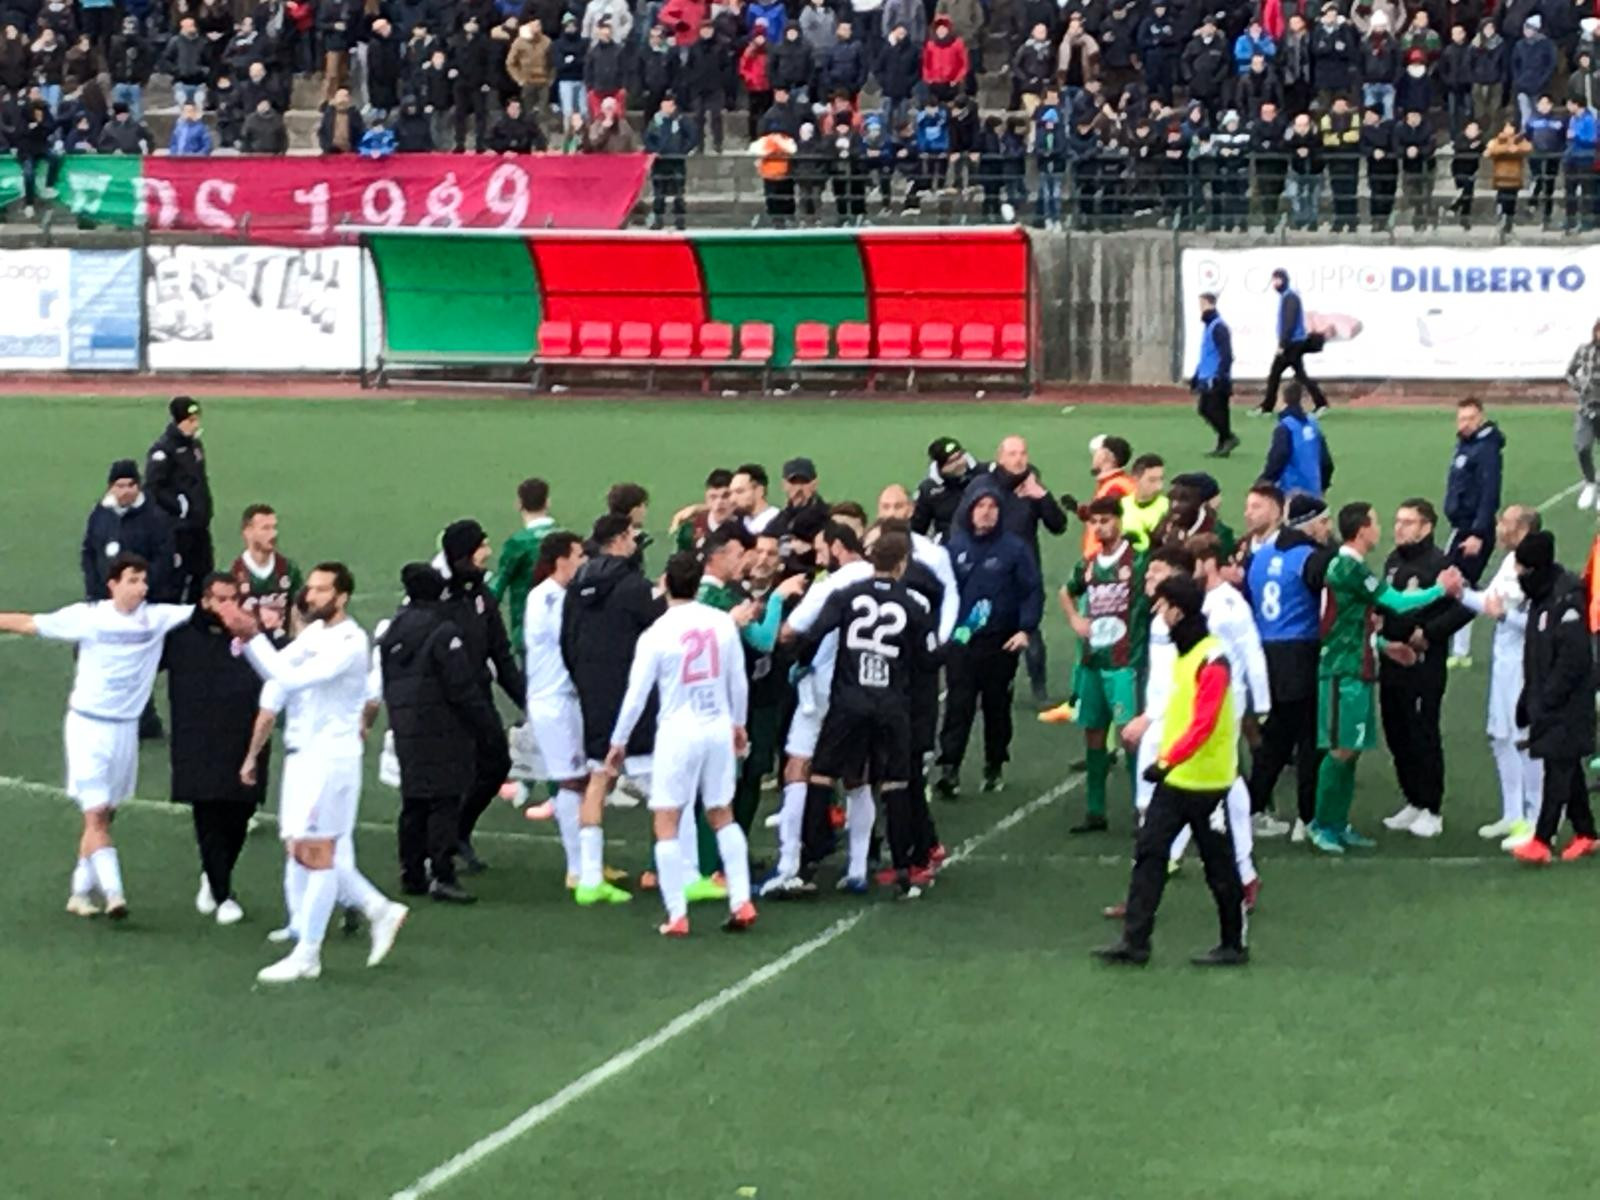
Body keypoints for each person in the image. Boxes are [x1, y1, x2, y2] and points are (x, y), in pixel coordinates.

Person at [0, 553, 193, 920]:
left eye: (143, 581)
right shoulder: (89, 618)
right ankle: (115, 894)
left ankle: (79, 892)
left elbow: (205, 612)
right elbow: (27, 623)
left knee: (106, 814)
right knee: (96, 815)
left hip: (125, 730)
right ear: (113, 585)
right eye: (132, 580)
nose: (141, 588)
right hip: (88, 727)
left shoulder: (157, 618)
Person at [1093, 573, 1249, 968]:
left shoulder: (1211, 659)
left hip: (1207, 783)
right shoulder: (1188, 654)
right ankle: (1135, 941)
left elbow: (1204, 723)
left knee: (1219, 866)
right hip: (1178, 778)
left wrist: (1166, 760)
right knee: (1149, 853)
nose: (1158, 612)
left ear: (1177, 611)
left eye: (1162, 605)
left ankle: (1233, 944)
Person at [608, 552, 756, 936]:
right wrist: (738, 723)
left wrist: (619, 740)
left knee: (667, 820)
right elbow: (738, 680)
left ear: (666, 585)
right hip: (717, 725)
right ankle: (741, 899)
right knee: (721, 812)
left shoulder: (656, 633)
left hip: (678, 731)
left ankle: (677, 914)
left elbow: (636, 695)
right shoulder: (722, 623)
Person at [1308, 503, 1462, 855]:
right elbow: (1397, 602)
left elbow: (1351, 622)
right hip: (1342, 669)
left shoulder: (1353, 566)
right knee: (1341, 750)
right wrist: (1440, 589)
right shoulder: (1348, 567)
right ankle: (1322, 823)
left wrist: (1382, 645)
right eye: (1377, 522)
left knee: (1351, 749)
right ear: (1362, 529)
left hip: (1357, 666)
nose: (1383, 529)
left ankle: (1338, 823)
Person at [794, 527, 937, 896]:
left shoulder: (846, 594)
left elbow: (813, 634)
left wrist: (802, 664)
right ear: (903, 563)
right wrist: (959, 641)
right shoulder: (914, 604)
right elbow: (928, 661)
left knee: (822, 775)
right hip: (891, 704)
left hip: (849, 700)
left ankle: (807, 863)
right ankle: (903, 871)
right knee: (894, 783)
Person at [379, 563, 504, 905]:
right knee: (445, 800)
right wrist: (485, 725)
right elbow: (460, 685)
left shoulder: (394, 628)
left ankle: (411, 872)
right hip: (442, 727)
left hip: (406, 724)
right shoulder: (443, 630)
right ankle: (443, 873)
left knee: (414, 800)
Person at [562, 514, 665, 905]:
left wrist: (585, 679)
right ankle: (669, 869)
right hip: (632, 694)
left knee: (598, 777)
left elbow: (567, 640)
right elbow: (661, 630)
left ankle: (589, 877)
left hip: (593, 692)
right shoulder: (634, 587)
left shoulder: (578, 584)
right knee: (662, 787)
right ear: (621, 539)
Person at [163, 573, 264, 926]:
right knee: (208, 815)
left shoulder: (250, 635)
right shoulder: (180, 637)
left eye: (233, 599)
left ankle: (214, 874)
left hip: (244, 738)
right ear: (205, 601)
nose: (228, 607)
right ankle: (223, 895)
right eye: (221, 599)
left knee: (241, 812)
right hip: (198, 740)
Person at [934, 481, 1040, 796]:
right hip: (963, 642)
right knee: (958, 706)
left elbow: (1031, 591)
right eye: (980, 506)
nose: (986, 512)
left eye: (992, 507)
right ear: (969, 510)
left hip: (1001, 642)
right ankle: (949, 768)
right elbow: (941, 594)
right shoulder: (954, 548)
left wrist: (1025, 629)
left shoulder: (1014, 549)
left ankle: (994, 764)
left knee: (997, 708)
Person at [1375, 499, 1473, 840]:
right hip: (1391, 660)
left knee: (1422, 732)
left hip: (1423, 666)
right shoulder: (1392, 560)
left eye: (1408, 522)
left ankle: (1432, 807)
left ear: (1426, 527)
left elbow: (1465, 607)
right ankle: (1413, 799)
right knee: (1396, 730)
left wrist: (1429, 634)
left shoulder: (1440, 564)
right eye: (1397, 521)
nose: (1399, 528)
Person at [437, 519, 525, 873]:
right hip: (445, 702)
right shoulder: (440, 596)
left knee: (497, 762)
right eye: (482, 546)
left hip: (478, 696)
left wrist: (525, 699)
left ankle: (459, 831)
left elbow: (500, 653)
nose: (488, 552)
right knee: (449, 775)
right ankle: (436, 849)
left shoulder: (480, 593)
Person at [1245, 493, 1334, 841]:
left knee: (1276, 737)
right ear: (1308, 524)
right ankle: (1307, 819)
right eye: (1323, 521)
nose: (1327, 528)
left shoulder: (1261, 556)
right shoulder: (1310, 558)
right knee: (1310, 737)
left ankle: (1253, 808)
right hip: (1300, 651)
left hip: (1267, 652)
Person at [1507, 531, 1598, 863]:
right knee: (1567, 767)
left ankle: (1542, 840)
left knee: (1558, 769)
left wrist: (1546, 699)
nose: (1519, 576)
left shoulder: (1566, 599)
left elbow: (1574, 658)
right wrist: (1527, 698)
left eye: (1522, 569)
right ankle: (1586, 833)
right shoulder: (1543, 597)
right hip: (1548, 698)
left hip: (1569, 702)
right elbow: (1537, 654)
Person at [1061, 497, 1146, 833]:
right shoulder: (1089, 564)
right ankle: (1095, 810)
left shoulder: (1137, 563)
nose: (1099, 527)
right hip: (1093, 661)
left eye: (1105, 520)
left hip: (1124, 663)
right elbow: (1066, 592)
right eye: (1094, 522)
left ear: (1119, 522)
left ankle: (1142, 808)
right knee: (1094, 732)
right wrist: (1075, 619)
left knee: (1130, 736)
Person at [1460, 506, 1543, 849]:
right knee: (1500, 736)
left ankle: (1536, 819)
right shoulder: (1509, 562)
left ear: (1522, 529)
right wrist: (1460, 592)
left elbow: (1538, 624)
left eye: (1504, 523)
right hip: (1503, 664)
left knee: (1524, 740)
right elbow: (1489, 602)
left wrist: (1504, 616)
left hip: (1525, 667)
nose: (1497, 528)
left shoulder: (1537, 569)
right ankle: (1512, 814)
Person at [984, 435, 1066, 702]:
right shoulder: (987, 487)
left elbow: (1058, 525)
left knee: (1030, 630)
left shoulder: (1033, 485)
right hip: (992, 570)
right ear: (1000, 458)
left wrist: (1041, 496)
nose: (1018, 459)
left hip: (1025, 571)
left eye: (1022, 453)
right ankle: (993, 687)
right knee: (989, 630)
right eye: (1012, 454)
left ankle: (1039, 688)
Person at [1442, 398, 1504, 666]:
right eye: (1461, 419)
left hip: (1472, 530)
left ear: (1481, 418)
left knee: (1458, 582)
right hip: (1461, 527)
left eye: (1469, 418)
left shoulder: (1486, 450)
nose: (1464, 424)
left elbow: (1489, 493)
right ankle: (1459, 648)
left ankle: (1460, 650)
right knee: (1459, 581)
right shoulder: (1466, 445)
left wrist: (1477, 533)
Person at [145, 396, 213, 605]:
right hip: (179, 529)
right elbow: (154, 487)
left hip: (199, 527)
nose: (196, 425)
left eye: (196, 419)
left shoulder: (195, 446)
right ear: (179, 421)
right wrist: (181, 507)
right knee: (176, 579)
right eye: (190, 420)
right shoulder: (163, 451)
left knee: (203, 576)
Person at [82, 459, 175, 610]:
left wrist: (140, 589)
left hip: (144, 601)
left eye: (131, 485)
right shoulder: (99, 514)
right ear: (111, 488)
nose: (126, 491)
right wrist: (94, 591)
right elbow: (89, 552)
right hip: (106, 599)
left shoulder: (155, 517)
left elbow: (163, 558)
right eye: (120, 486)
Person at [489, 477, 555, 663]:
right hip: (563, 626)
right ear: (547, 502)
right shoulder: (566, 539)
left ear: (519, 504)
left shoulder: (517, 543)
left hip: (527, 627)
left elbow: (498, 586)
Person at [1257, 268, 1328, 414]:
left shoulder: (1290, 298)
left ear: (1284, 280)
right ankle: (1320, 403)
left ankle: (1267, 407)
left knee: (1277, 374)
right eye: (1273, 280)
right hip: (1293, 343)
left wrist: (1282, 345)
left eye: (1277, 280)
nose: (1275, 284)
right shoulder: (1287, 297)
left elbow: (1289, 323)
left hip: (1292, 344)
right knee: (1296, 375)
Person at [230, 504, 302, 634]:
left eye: (274, 527)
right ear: (248, 532)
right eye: (266, 528)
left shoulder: (289, 569)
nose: (273, 534)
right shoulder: (234, 574)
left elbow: (297, 612)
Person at [1260, 381, 1333, 499]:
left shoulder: (1285, 426)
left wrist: (1263, 481)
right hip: (1314, 493)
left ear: (1282, 400)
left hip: (1290, 493)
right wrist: (1323, 485)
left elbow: (1278, 458)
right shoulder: (1312, 424)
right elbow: (1326, 462)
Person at [1191, 291, 1237, 458]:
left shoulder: (1218, 326)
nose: (1200, 308)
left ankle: (1228, 438)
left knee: (1211, 409)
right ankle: (1223, 442)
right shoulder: (1209, 326)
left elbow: (1226, 354)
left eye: (1202, 304)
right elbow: (1206, 354)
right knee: (1210, 410)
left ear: (1209, 303)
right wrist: (1197, 375)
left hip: (1216, 379)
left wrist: (1220, 375)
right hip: (1207, 376)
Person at [1563, 317, 1600, 511]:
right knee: (1583, 447)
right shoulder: (1584, 350)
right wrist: (1580, 387)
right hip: (1586, 408)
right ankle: (1590, 482)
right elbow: (1570, 372)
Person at [912, 436, 978, 543]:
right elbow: (916, 531)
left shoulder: (983, 475)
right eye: (951, 462)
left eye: (959, 457)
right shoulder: (928, 490)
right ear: (940, 467)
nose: (958, 464)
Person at [1118, 453, 1169, 552]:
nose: (1159, 486)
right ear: (1135, 479)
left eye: (1161, 479)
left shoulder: (1167, 507)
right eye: (1152, 480)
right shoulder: (1121, 506)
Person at [731, 463, 781, 534]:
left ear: (759, 491)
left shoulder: (779, 520)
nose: (732, 499)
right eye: (731, 493)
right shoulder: (736, 524)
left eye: (739, 491)